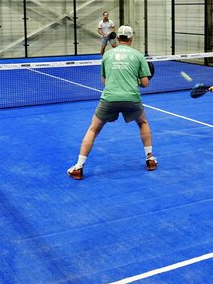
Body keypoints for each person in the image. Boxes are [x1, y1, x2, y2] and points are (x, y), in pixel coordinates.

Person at [67, 25, 157, 179]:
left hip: (109, 98)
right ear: (131, 38)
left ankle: (79, 167)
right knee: (143, 122)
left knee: (93, 129)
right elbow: (145, 83)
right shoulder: (138, 56)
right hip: (131, 98)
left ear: (117, 37)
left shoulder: (107, 55)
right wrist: (135, 80)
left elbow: (104, 81)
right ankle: (150, 159)